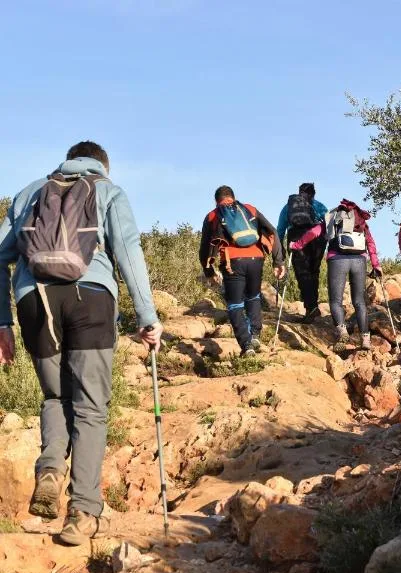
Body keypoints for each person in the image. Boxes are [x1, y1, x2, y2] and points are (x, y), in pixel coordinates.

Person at [0, 141, 163, 545]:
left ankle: (52, 469)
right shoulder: (108, 191)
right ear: (103, 166)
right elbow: (128, 251)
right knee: (91, 407)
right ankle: (83, 511)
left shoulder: (30, 192)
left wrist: (2, 321)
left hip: (34, 299)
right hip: (90, 296)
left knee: (56, 397)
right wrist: (147, 316)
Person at [200, 185, 286, 356]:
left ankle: (247, 345)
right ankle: (255, 334)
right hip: (256, 259)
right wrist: (278, 261)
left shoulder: (212, 215)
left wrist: (209, 272)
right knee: (253, 296)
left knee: (235, 304)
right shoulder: (249, 209)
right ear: (233, 197)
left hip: (232, 262)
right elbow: (272, 231)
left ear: (217, 200)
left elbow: (205, 248)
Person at [289, 199, 381, 350]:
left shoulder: (332, 217)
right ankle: (365, 340)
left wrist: (297, 245)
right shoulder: (360, 221)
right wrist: (376, 264)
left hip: (337, 259)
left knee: (335, 301)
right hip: (359, 260)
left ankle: (342, 331)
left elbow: (313, 233)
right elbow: (370, 242)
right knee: (359, 302)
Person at [277, 183, 328, 323]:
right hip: (317, 240)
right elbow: (329, 226)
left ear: (299, 192)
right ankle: (313, 307)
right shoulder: (320, 206)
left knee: (302, 274)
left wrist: (279, 247)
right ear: (314, 194)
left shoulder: (289, 206)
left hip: (296, 238)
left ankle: (310, 308)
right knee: (314, 273)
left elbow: (280, 229)